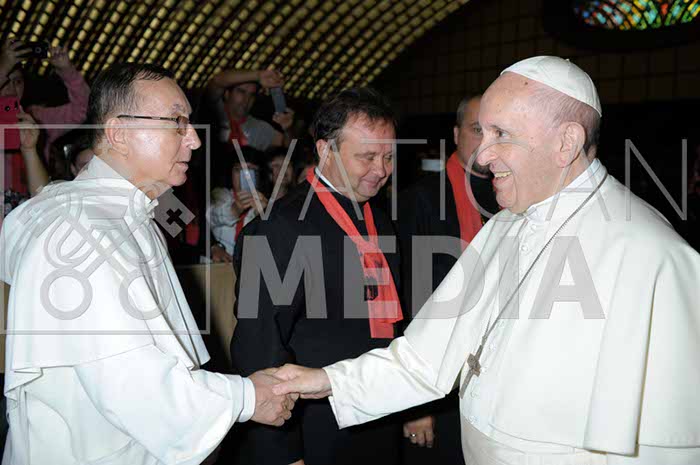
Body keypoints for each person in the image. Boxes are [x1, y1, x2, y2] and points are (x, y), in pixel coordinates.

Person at [272, 56, 700, 465]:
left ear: (565, 142)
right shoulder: (505, 224)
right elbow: (427, 356)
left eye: (500, 134)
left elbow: (672, 445)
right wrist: (329, 380)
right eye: (481, 132)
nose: (482, 154)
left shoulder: (650, 254)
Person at [0, 63, 295, 464]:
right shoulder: (80, 229)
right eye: (177, 122)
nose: (194, 139)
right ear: (119, 133)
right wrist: (248, 397)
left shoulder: (120, 213)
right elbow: (132, 385)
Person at [230, 87, 403, 465]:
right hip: (313, 427)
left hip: (378, 415)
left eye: (389, 156)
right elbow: (259, 346)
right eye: (367, 156)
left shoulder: (380, 220)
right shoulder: (279, 227)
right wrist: (281, 452)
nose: (381, 170)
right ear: (326, 151)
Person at [395, 95, 498, 463]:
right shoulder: (422, 199)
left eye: (496, 132)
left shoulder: (510, 196)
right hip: (438, 379)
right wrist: (415, 404)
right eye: (476, 130)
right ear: (456, 134)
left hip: (492, 376)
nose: (486, 141)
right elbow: (407, 303)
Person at [205, 68, 294, 152]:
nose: (246, 99)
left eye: (251, 95)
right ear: (227, 94)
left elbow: (289, 149)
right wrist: (258, 75)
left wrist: (288, 129)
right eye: (241, 92)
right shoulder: (213, 113)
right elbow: (217, 81)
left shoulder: (259, 128)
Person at [208, 147, 269, 261]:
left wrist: (265, 214)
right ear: (230, 173)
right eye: (238, 170)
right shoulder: (220, 195)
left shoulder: (268, 202)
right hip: (220, 265)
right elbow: (210, 216)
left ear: (259, 174)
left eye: (251, 169)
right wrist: (234, 209)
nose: (245, 175)